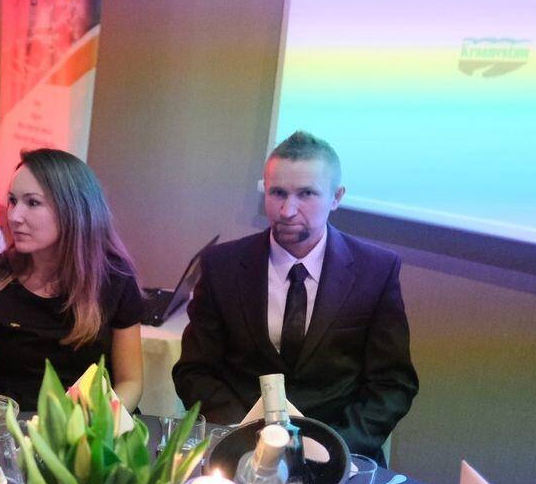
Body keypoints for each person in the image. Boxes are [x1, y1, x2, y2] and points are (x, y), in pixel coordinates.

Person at [171, 130, 418, 463]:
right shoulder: (222, 266)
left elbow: (392, 384)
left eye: (306, 194)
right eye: (277, 193)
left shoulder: (375, 270)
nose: (287, 210)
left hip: (338, 451)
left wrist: (334, 448)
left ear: (336, 197)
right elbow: (194, 371)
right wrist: (244, 436)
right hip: (240, 447)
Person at [0, 148, 144, 411]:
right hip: (13, 426)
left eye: (32, 203)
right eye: (13, 201)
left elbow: (131, 382)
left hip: (94, 425)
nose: (14, 216)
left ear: (74, 210)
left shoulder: (115, 279)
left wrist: (94, 427)